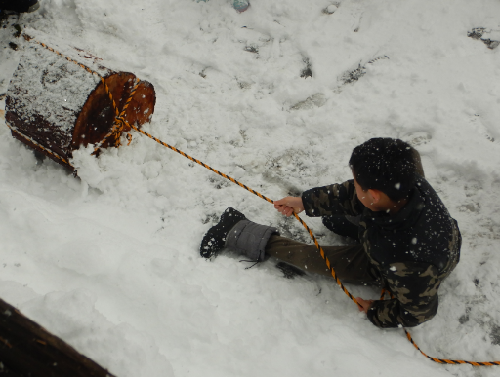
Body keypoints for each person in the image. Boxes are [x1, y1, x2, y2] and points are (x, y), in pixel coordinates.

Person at [199, 137, 461, 328]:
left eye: (358, 184)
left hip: (396, 261)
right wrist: (305, 202)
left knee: (314, 258)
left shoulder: (405, 261)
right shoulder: (406, 180)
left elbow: (420, 311)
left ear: (374, 194)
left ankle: (237, 229)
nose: (353, 186)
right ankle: (353, 226)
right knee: (340, 212)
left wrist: (377, 312)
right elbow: (351, 194)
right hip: (407, 234)